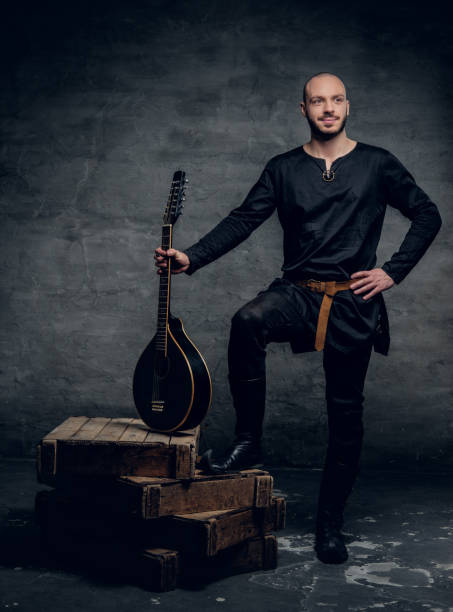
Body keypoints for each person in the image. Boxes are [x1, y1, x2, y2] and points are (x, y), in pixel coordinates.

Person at [154, 72, 442, 565]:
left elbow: (427, 213)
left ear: (347, 106)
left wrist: (392, 272)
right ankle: (249, 442)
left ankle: (330, 524)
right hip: (298, 292)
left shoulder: (377, 164)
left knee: (344, 413)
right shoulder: (283, 168)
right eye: (316, 101)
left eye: (335, 100)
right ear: (303, 110)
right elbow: (245, 219)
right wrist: (192, 257)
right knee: (248, 320)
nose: (326, 108)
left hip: (353, 301)